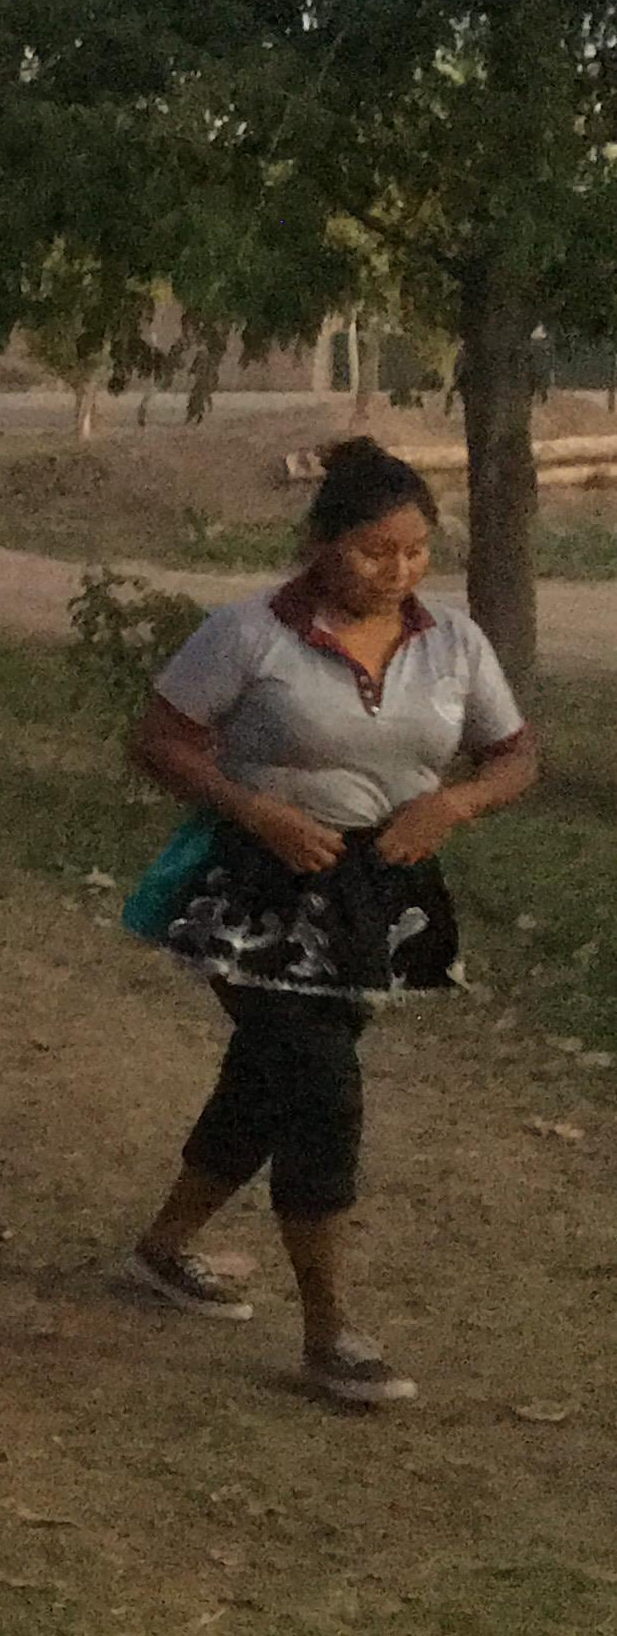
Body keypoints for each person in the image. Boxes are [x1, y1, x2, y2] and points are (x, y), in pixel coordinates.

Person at [117, 438, 535, 1408]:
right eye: (371, 552)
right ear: (317, 545)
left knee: (271, 1077)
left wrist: (457, 805)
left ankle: (161, 1248)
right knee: (320, 1086)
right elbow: (158, 741)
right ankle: (330, 1331)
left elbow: (515, 757)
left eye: (415, 552)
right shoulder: (246, 634)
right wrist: (253, 807)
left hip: (377, 895)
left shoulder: (454, 644)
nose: (395, 571)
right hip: (259, 886)